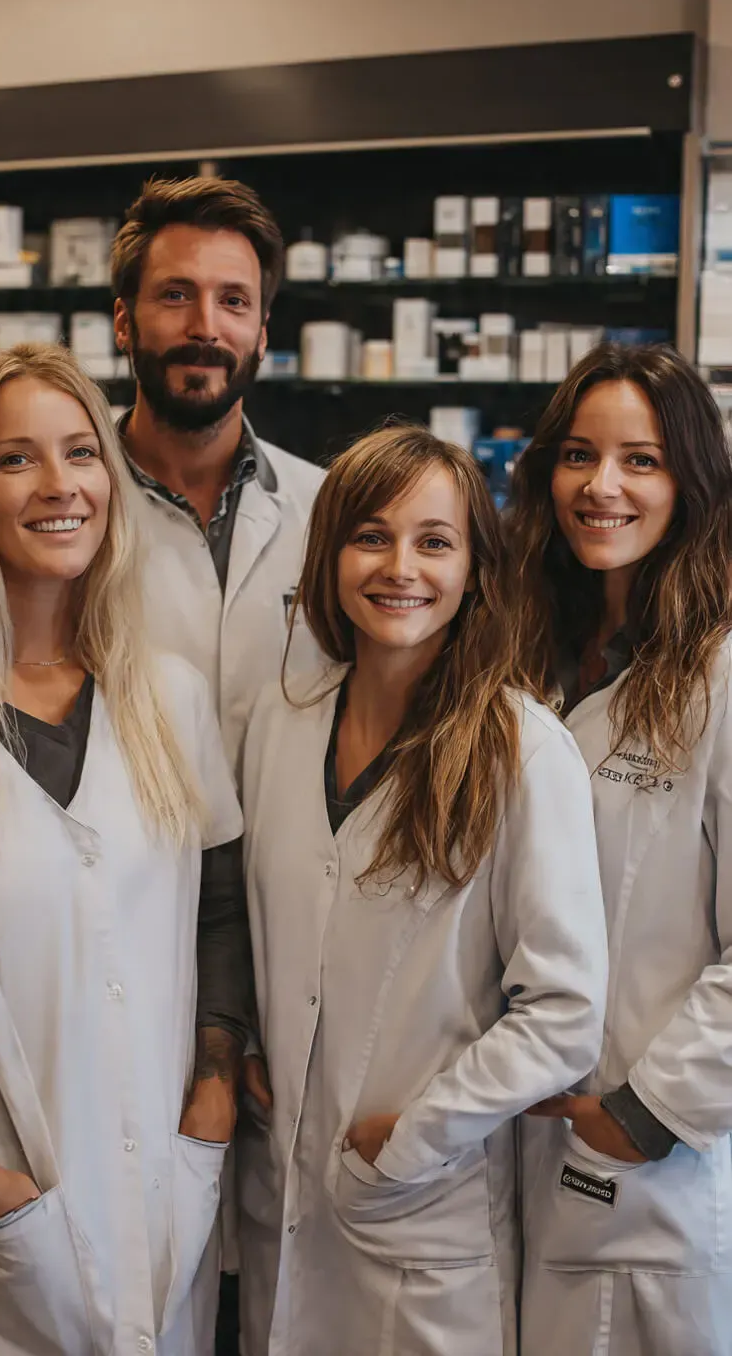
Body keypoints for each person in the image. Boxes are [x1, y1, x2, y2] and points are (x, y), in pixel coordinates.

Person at [236, 425, 608, 1356]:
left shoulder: (522, 750)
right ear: (328, 559)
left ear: (478, 568)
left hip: (421, 1219)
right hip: (279, 1203)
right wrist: (244, 1036)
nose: (401, 566)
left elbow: (563, 1015)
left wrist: (414, 1137)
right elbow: (263, 932)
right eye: (371, 535)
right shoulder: (279, 726)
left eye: (435, 542)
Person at [0, 344, 250, 1356]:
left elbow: (222, 909)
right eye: (17, 460)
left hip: (163, 1195)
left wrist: (214, 1081)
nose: (62, 486)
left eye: (82, 453)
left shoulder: (169, 697)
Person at [508, 344, 732, 1356]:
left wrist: (645, 1112)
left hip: (648, 1174)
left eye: (640, 461)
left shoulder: (720, 672)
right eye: (578, 455)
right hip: (511, 1151)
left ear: (691, 480)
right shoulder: (522, 649)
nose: (601, 487)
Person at [111, 174, 324, 776]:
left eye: (233, 300)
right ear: (124, 322)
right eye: (176, 295)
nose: (205, 326)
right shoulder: (66, 509)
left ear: (260, 336)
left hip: (288, 855)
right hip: (124, 858)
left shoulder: (329, 508)